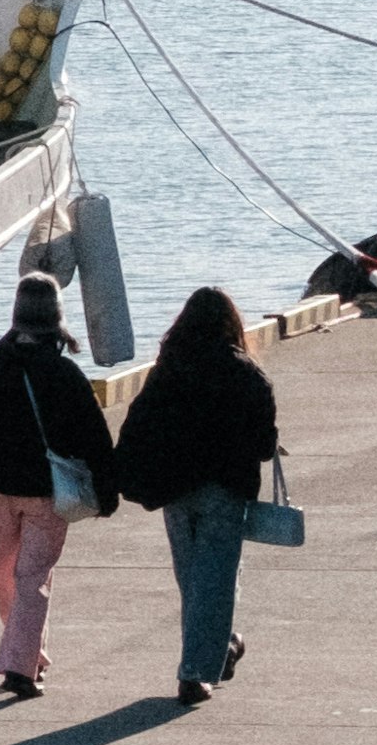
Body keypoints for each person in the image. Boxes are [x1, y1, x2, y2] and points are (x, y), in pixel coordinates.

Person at [0, 272, 124, 699]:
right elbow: (94, 437)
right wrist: (107, 491)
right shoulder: (65, 374)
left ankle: (25, 654)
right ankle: (21, 666)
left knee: (7, 574)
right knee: (33, 576)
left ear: (16, 316)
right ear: (56, 319)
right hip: (47, 493)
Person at [116, 282, 283, 705]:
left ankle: (218, 647)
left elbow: (139, 425)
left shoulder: (168, 370)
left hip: (175, 490)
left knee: (193, 578)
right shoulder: (247, 374)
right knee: (217, 578)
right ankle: (195, 672)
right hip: (225, 490)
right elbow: (262, 444)